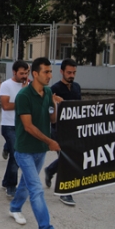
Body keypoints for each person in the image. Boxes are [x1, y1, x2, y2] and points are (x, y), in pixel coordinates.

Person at [8, 57, 64, 229]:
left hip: (40, 150)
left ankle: (15, 208)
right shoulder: (23, 96)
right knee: (36, 188)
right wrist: (50, 142)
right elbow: (28, 126)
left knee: (26, 183)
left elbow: (52, 119)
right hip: (24, 150)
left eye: (50, 72)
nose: (50, 75)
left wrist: (55, 105)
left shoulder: (48, 93)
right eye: (46, 72)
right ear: (35, 74)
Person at [43, 58, 81, 206]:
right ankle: (65, 192)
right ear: (62, 72)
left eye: (74, 72)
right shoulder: (54, 89)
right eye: (69, 72)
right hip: (58, 129)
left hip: (74, 129)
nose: (71, 75)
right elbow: (48, 110)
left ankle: (50, 170)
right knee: (67, 160)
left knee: (70, 158)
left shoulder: (77, 87)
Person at [0, 60, 30, 197]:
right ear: (14, 72)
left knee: (16, 154)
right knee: (17, 155)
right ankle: (11, 185)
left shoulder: (30, 86)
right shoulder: (6, 85)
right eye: (21, 73)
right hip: (9, 125)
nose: (24, 76)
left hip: (23, 125)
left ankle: (6, 181)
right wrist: (22, 95)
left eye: (26, 73)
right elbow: (6, 106)